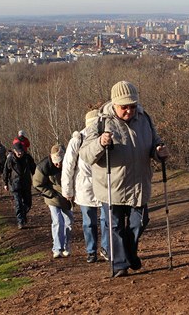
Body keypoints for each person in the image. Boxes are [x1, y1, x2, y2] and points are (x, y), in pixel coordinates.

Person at [79, 81, 169, 277]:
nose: (129, 111)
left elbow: (155, 141)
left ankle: (128, 253)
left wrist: (159, 151)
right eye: (124, 107)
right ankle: (120, 265)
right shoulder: (100, 122)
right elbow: (85, 154)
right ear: (115, 104)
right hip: (112, 186)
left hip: (139, 183)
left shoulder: (144, 118)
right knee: (115, 226)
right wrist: (100, 143)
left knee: (140, 221)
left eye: (133, 106)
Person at [62, 109, 110, 263]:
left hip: (104, 184)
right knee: (89, 222)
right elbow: (68, 166)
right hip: (84, 187)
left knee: (106, 219)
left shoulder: (106, 137)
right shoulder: (78, 139)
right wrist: (67, 190)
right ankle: (91, 251)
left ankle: (106, 248)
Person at [33, 144, 73, 259]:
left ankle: (66, 246)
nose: (58, 164)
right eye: (56, 161)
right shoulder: (44, 166)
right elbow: (37, 183)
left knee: (69, 222)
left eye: (60, 161)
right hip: (53, 196)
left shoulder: (70, 163)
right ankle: (57, 248)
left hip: (66, 197)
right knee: (57, 221)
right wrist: (51, 194)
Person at [3, 142, 36, 229]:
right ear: (14, 151)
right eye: (18, 151)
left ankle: (23, 213)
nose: (20, 153)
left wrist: (37, 181)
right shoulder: (10, 159)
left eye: (21, 151)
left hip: (26, 183)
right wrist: (5, 183)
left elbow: (34, 170)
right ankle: (20, 221)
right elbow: (6, 171)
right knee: (18, 203)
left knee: (28, 203)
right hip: (15, 184)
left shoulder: (28, 158)